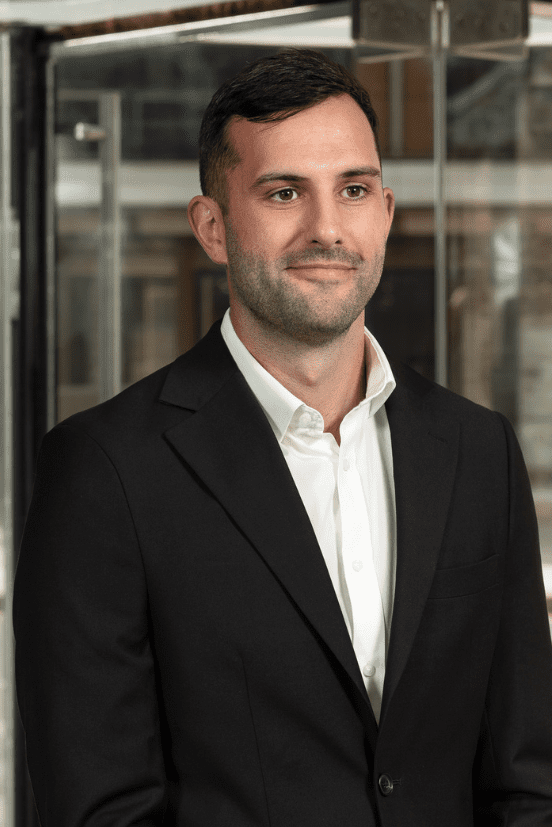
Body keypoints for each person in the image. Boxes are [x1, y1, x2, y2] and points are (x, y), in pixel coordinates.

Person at [13, 48, 552, 827]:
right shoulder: (105, 470)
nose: (327, 228)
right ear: (213, 227)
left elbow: (529, 781)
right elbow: (99, 809)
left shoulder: (479, 452)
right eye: (284, 192)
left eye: (353, 190)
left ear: (385, 213)